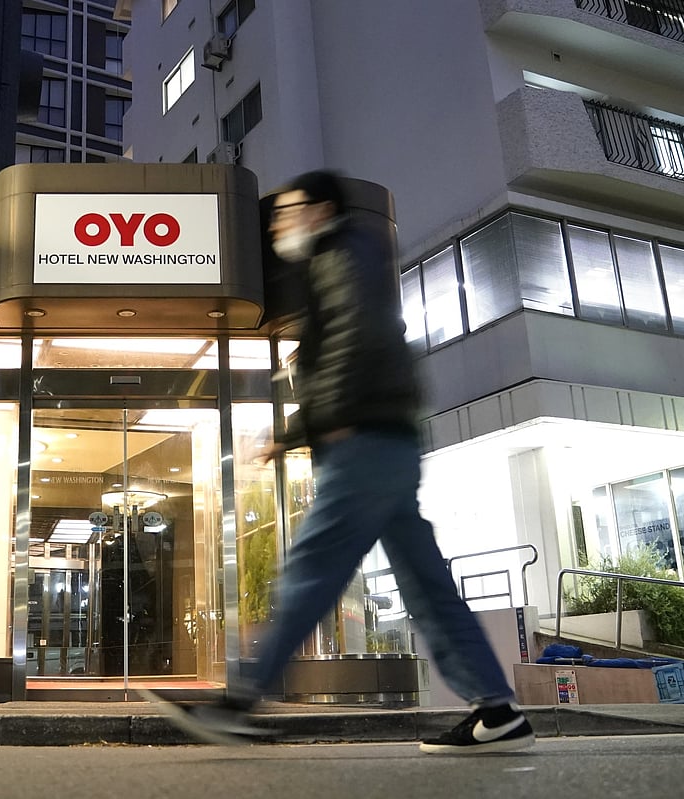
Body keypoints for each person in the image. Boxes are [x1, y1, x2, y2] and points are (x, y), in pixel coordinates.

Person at [142, 170, 535, 754]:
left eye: (287, 210)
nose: (278, 222)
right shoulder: (349, 255)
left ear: (320, 210)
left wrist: (323, 419)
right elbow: (355, 338)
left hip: (364, 442)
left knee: (313, 569)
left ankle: (237, 702)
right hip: (385, 441)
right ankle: (498, 711)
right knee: (427, 585)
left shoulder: (339, 252)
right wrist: (303, 424)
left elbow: (359, 335)